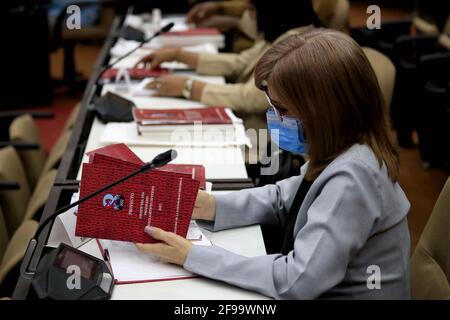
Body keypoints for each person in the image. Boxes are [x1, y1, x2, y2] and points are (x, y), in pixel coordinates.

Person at [135, 28, 412, 299]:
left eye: (283, 110)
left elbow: (297, 281)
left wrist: (193, 256)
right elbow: (284, 199)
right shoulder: (343, 149)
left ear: (324, 112)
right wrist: (211, 205)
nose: (276, 118)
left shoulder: (354, 177)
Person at [136, 0, 320, 118]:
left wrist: (188, 87)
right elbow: (241, 63)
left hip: (263, 141)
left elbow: (251, 98)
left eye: (252, 10)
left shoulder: (296, 45)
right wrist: (178, 54)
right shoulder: (286, 33)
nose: (250, 16)